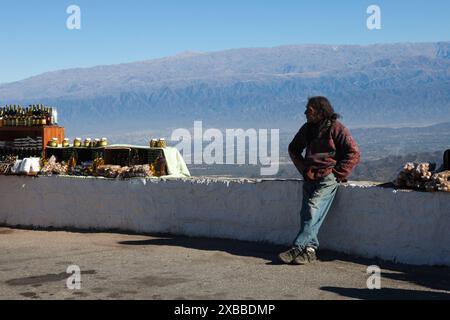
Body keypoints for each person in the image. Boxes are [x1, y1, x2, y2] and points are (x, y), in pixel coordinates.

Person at [279, 96, 360, 265]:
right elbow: (293, 148)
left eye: (309, 110)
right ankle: (310, 251)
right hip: (310, 176)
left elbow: (353, 152)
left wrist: (337, 174)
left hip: (327, 177)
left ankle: (297, 246)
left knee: (312, 208)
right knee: (307, 213)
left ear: (320, 112)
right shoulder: (307, 129)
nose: (305, 112)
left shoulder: (336, 129)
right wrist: (302, 168)